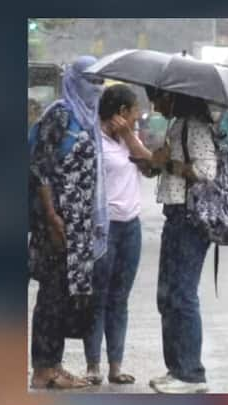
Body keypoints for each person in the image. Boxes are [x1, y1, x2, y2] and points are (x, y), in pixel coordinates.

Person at [28, 56, 109, 389]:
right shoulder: (59, 115)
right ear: (74, 80)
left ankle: (53, 364)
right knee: (52, 294)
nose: (97, 88)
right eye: (91, 81)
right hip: (57, 223)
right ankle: (44, 368)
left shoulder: (86, 119)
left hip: (79, 225)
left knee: (64, 294)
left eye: (101, 82)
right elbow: (40, 167)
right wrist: (51, 215)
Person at [82, 84, 160, 385]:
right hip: (104, 228)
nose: (139, 116)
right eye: (135, 110)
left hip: (130, 227)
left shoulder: (130, 139)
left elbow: (151, 167)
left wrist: (129, 136)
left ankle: (115, 366)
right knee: (97, 298)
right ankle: (93, 365)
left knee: (119, 298)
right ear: (122, 112)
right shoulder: (93, 139)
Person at [144, 87, 216, 394]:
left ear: (172, 97)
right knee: (168, 296)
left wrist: (170, 164)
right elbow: (158, 167)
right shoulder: (177, 125)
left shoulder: (195, 127)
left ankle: (190, 374)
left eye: (157, 98)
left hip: (190, 220)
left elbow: (207, 172)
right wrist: (156, 160)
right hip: (175, 217)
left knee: (183, 296)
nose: (155, 106)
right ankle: (176, 369)